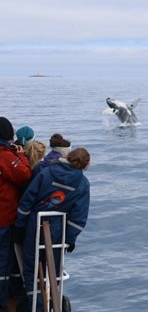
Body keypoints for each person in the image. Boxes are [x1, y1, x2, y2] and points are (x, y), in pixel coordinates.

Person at [14, 148, 90, 312]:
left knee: (31, 271)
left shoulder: (47, 172)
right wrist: (70, 239)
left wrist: (20, 227)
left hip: (35, 226)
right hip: (57, 230)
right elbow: (78, 216)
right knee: (53, 272)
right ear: (86, 165)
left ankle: (37, 307)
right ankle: (50, 305)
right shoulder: (82, 184)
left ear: (67, 157)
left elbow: (27, 200)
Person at [0, 117, 32, 312]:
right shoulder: (4, 155)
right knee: (4, 260)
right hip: (4, 217)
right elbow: (24, 175)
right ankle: (4, 301)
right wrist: (21, 156)